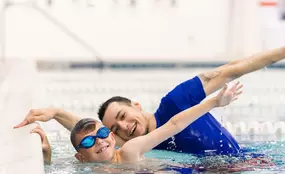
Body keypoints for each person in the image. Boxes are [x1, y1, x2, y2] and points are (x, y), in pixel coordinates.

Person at [14, 46, 285, 156]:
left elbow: (234, 69)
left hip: (245, 165)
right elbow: (93, 135)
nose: (123, 127)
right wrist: (56, 112)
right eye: (115, 128)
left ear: (136, 106)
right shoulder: (131, 144)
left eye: (122, 115)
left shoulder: (176, 101)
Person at [69, 82, 241, 164]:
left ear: (112, 138)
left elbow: (174, 125)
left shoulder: (130, 150)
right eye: (88, 141)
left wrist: (214, 102)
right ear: (80, 157)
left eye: (102, 134)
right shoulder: (88, 169)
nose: (99, 140)